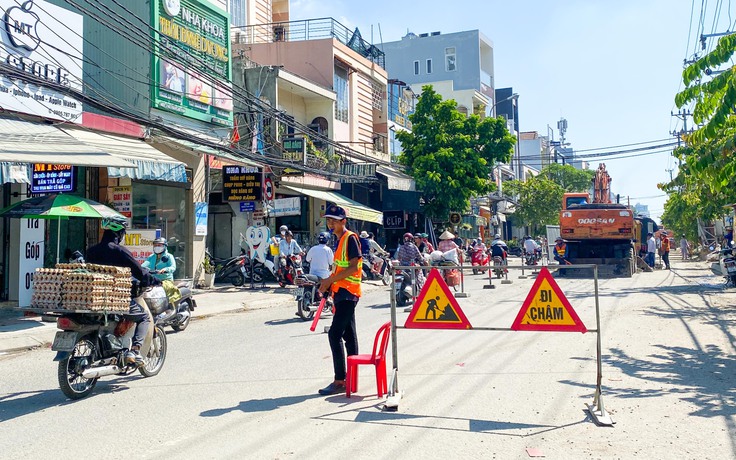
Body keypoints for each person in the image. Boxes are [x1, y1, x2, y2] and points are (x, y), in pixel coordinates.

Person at [86, 216, 160, 366]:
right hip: (115, 298)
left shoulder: (91, 251)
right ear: (119, 233)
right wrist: (154, 280)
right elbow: (139, 272)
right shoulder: (120, 251)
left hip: (93, 298)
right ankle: (135, 351)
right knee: (144, 317)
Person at [318, 205, 363, 396]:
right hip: (342, 292)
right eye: (329, 220)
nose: (330, 224)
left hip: (348, 292)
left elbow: (353, 268)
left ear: (343, 221)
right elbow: (339, 270)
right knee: (349, 336)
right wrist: (329, 284)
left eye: (334, 221)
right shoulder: (339, 241)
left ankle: (340, 380)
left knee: (334, 334)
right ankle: (351, 378)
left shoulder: (350, 238)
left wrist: (329, 280)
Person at [142, 237, 180, 306]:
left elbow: (173, 267)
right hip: (153, 280)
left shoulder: (168, 256)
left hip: (166, 280)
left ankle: (166, 306)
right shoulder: (151, 257)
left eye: (159, 245)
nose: (157, 247)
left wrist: (165, 269)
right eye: (155, 245)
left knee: (161, 290)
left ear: (165, 246)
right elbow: (145, 264)